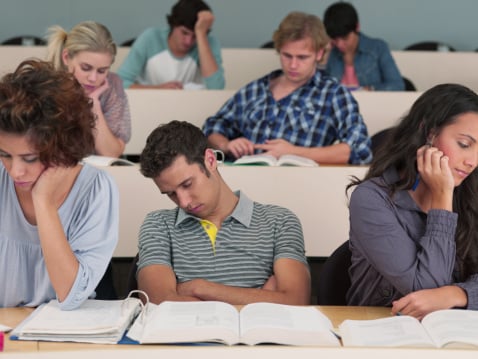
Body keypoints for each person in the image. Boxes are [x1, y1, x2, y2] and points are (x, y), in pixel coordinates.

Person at [137, 121, 310, 305]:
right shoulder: (157, 224)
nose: (184, 202)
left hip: (262, 335)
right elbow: (158, 304)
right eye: (171, 193)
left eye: (187, 184)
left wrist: (199, 287)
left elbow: (296, 302)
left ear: (210, 160)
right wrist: (261, 298)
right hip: (186, 335)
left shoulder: (280, 221)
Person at [347, 83, 478, 319]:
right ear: (429, 132)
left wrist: (456, 294)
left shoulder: (472, 191)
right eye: (464, 145)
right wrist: (442, 198)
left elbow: (437, 298)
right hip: (383, 332)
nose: (472, 161)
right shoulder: (371, 199)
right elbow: (425, 290)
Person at [0, 60, 119, 309]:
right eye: (5, 154)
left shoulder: (96, 188)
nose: (15, 171)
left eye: (30, 158)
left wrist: (43, 203)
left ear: (64, 148)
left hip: (66, 336)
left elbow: (70, 295)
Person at [202, 11, 372, 165]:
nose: (293, 65)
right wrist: (226, 144)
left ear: (319, 54)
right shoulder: (255, 90)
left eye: (302, 57)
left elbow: (360, 149)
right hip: (244, 180)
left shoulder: (333, 94)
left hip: (299, 185)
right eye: (287, 55)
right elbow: (213, 126)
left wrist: (293, 152)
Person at [46, 21, 131, 158]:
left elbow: (111, 153)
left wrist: (93, 104)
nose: (93, 78)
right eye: (86, 68)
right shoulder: (46, 85)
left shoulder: (112, 85)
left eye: (102, 71)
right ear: (66, 57)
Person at [118, 0, 224, 90]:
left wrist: (201, 34)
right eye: (184, 33)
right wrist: (159, 89)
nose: (188, 41)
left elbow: (217, 88)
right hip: (150, 104)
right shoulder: (150, 38)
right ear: (173, 25)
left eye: (195, 36)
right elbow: (119, 83)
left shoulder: (208, 43)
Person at [323, 2, 404, 91]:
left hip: (372, 103)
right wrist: (323, 57)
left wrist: (369, 89)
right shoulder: (330, 52)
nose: (339, 44)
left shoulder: (378, 48)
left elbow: (397, 85)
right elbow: (321, 88)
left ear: (357, 27)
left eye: (345, 38)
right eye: (335, 39)